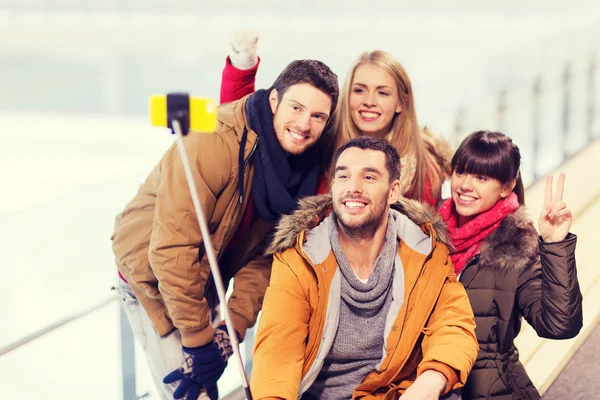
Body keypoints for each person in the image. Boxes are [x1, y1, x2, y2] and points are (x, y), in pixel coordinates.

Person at [111, 59, 339, 400]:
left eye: (318, 116)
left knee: (207, 387)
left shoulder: (299, 169)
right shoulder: (214, 140)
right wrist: (199, 338)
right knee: (191, 394)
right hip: (151, 277)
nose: (304, 124)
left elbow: (264, 258)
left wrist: (230, 326)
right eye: (297, 107)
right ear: (275, 100)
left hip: (202, 282)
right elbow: (171, 250)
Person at [251, 136, 479, 400]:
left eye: (369, 177)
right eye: (344, 177)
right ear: (333, 184)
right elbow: (278, 350)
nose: (354, 188)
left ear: (393, 191)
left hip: (398, 392)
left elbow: (453, 324)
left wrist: (432, 379)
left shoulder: (425, 250)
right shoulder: (299, 258)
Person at [220, 31, 453, 206]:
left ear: (401, 102)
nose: (369, 101)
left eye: (382, 92)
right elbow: (251, 127)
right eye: (359, 90)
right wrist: (242, 68)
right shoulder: (321, 142)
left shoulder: (426, 167)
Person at [437, 130, 583, 399]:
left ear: (507, 186)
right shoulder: (429, 232)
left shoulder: (517, 248)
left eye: (481, 177)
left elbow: (559, 325)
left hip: (493, 390)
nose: (464, 186)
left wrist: (555, 245)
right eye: (460, 172)